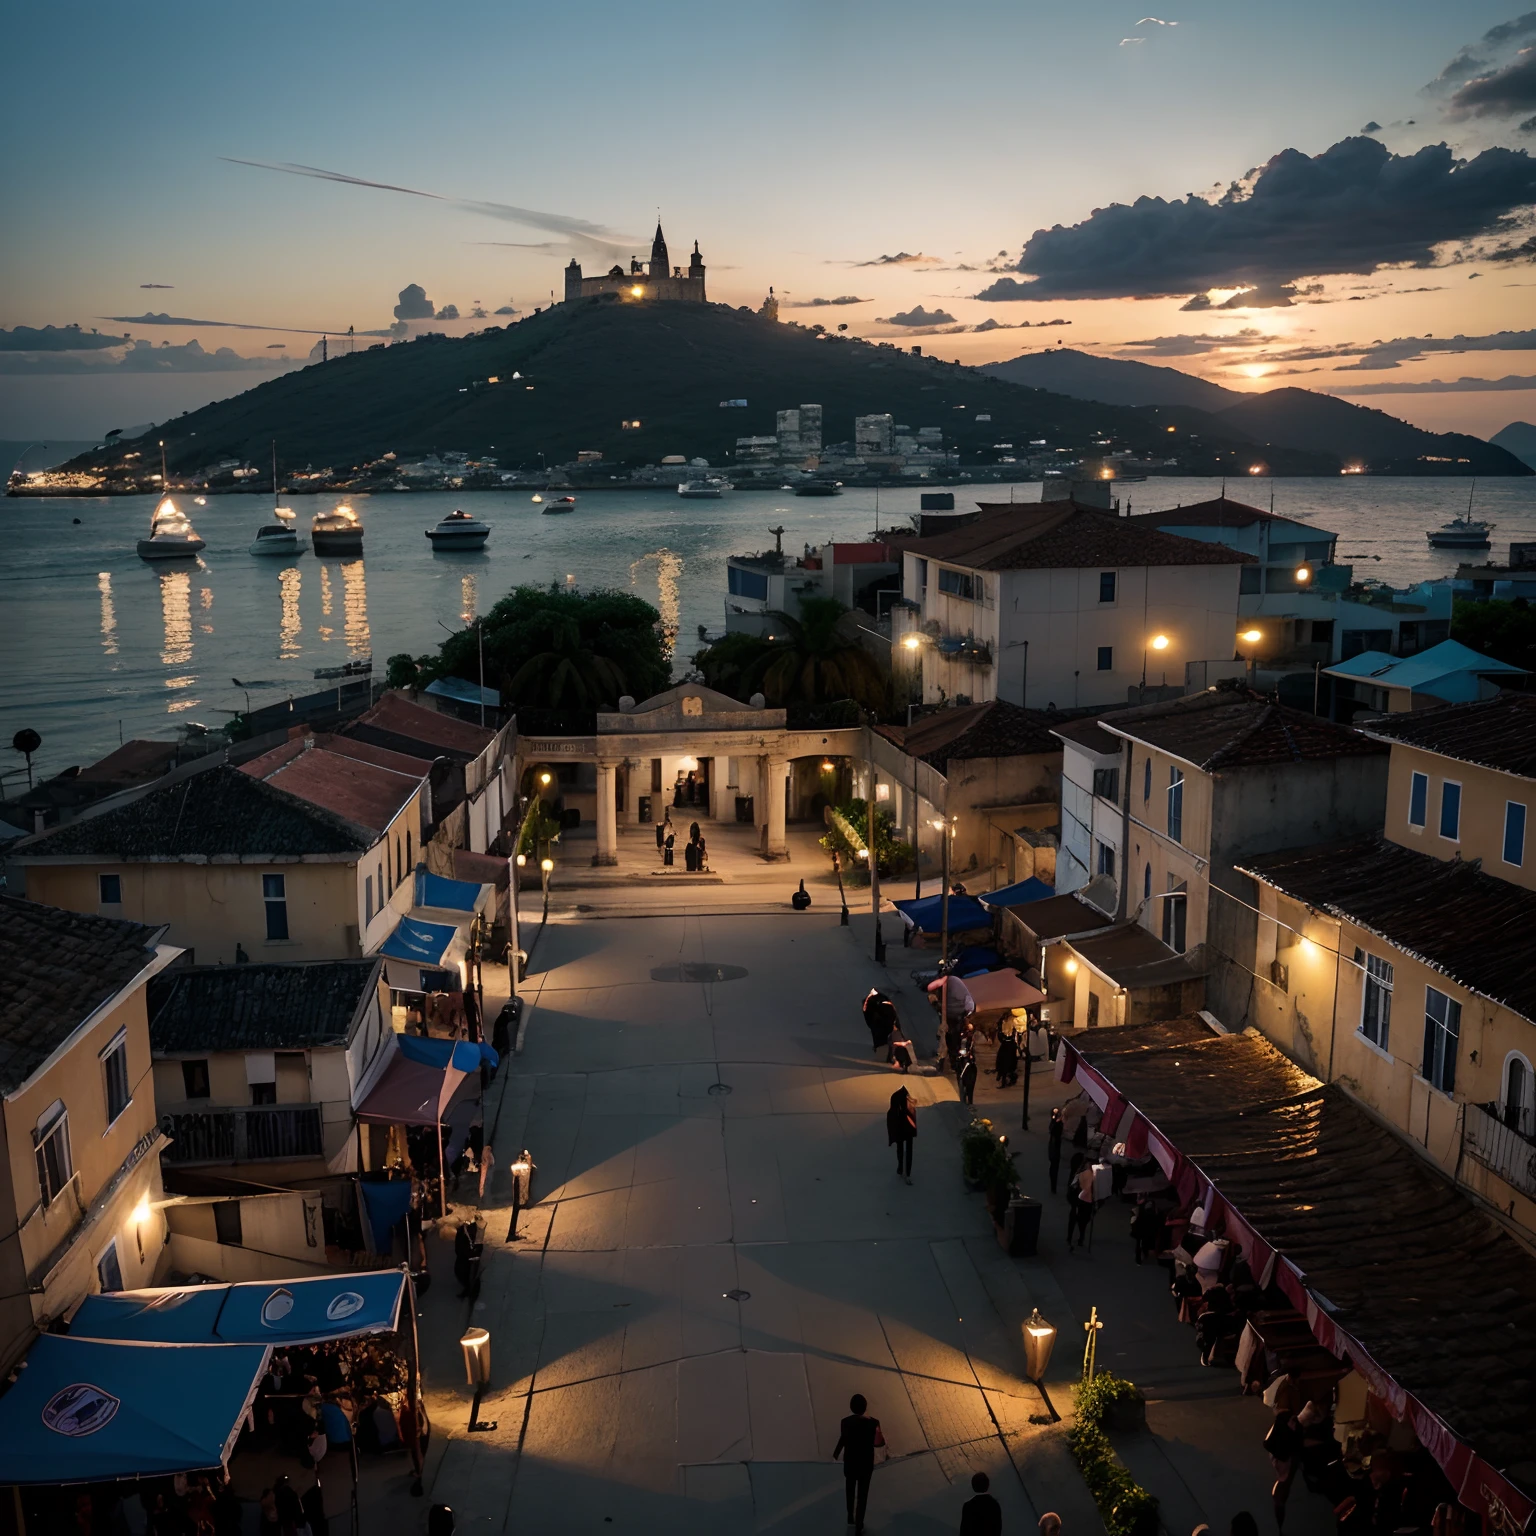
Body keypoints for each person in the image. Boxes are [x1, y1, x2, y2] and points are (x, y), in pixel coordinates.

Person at [832, 1393, 882, 1535]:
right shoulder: (874, 1422)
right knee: (862, 1494)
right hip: (866, 1464)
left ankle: (850, 1516)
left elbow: (844, 1438)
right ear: (865, 1407)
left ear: (851, 1407)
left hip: (850, 1463)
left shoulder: (845, 1422)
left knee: (849, 1489)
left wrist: (836, 1453)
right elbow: (879, 1443)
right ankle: (859, 1524)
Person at [887, 1086, 917, 1183]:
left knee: (900, 1147)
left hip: (900, 1127)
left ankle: (901, 1168)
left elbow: (891, 1119)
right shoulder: (908, 1102)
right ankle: (906, 1172)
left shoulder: (896, 1098)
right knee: (908, 1150)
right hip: (907, 1128)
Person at [959, 1471, 1003, 1536]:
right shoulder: (994, 1504)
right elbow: (998, 1528)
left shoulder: (968, 1506)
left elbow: (964, 1530)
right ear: (987, 1485)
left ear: (973, 1486)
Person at [864, 989, 897, 1054]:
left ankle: (882, 1051)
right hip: (881, 1024)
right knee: (881, 1039)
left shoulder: (877, 1002)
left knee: (881, 1039)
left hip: (881, 1024)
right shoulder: (878, 1002)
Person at [1047, 1107, 1064, 1194]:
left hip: (1054, 1149)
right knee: (1055, 1166)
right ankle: (1054, 1185)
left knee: (1054, 1166)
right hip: (1056, 1149)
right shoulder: (1058, 1125)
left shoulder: (1054, 1125)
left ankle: (1053, 1186)